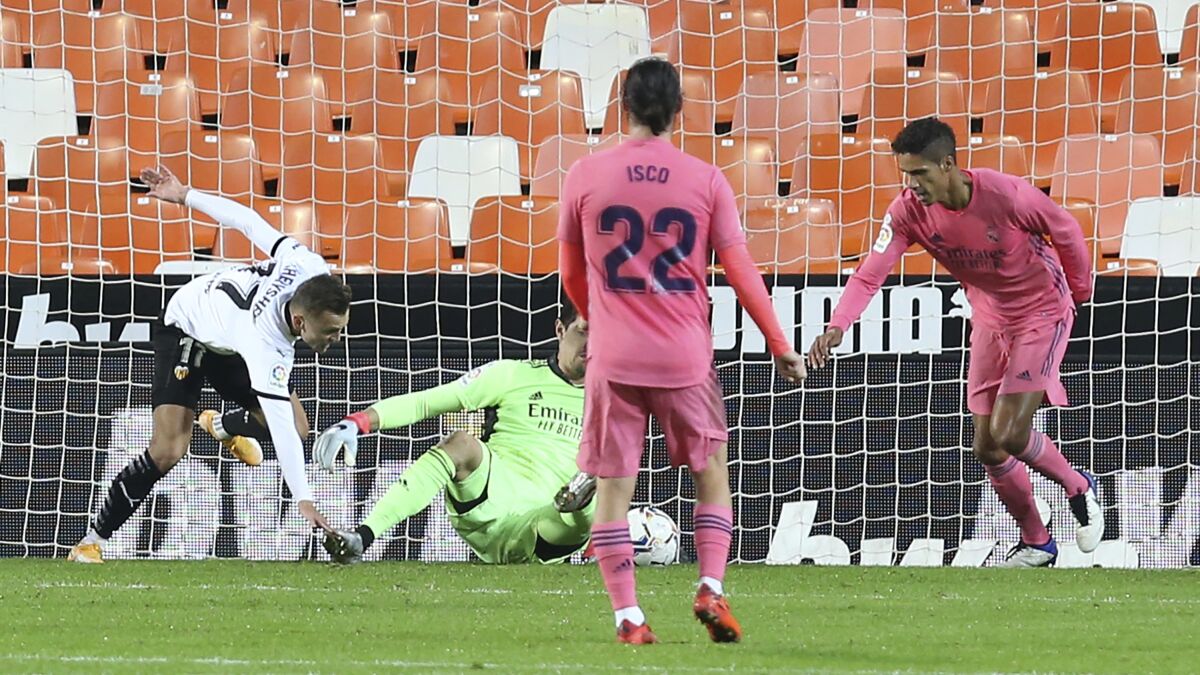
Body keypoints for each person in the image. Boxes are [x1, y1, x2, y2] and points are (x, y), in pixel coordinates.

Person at [557, 57, 807, 645]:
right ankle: (711, 586)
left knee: (613, 488)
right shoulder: (706, 179)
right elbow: (740, 269)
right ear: (679, 111)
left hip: (615, 358)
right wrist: (779, 343)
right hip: (684, 358)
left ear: (623, 107)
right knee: (710, 472)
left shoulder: (585, 175)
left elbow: (570, 272)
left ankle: (628, 617)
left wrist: (601, 319)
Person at [807, 117, 1104, 568]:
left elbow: (1065, 228)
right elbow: (871, 272)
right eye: (906, 174)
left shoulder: (1006, 195)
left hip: (1041, 312)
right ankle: (1037, 542)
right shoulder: (907, 211)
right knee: (987, 446)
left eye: (920, 173)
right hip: (988, 315)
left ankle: (1078, 486)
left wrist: (1080, 292)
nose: (912, 184)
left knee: (1010, 432)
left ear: (947, 165)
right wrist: (838, 325)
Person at [68, 166, 350, 563]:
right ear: (301, 322)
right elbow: (281, 431)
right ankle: (91, 541)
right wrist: (303, 499)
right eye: (331, 331)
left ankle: (220, 425)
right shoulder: (265, 345)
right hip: (187, 325)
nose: (336, 338)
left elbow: (247, 220)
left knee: (301, 426)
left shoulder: (309, 266)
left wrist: (187, 195)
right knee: (168, 449)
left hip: (228, 342)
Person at [314, 300, 595, 565]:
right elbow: (426, 402)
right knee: (461, 443)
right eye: (584, 331)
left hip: (551, 522)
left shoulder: (610, 406)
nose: (592, 343)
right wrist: (358, 421)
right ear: (560, 329)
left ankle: (595, 528)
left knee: (591, 489)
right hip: (492, 498)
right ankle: (362, 537)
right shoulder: (513, 375)